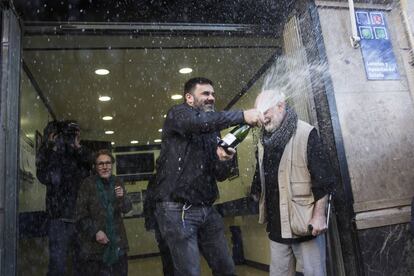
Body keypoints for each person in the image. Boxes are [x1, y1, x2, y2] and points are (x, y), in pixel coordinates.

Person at [153, 77, 264, 276]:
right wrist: (242, 115)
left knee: (226, 268)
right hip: (177, 210)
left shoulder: (212, 133)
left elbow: (220, 175)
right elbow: (199, 122)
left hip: (206, 209)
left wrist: (224, 159)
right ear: (189, 97)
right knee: (189, 271)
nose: (211, 98)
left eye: (213, 94)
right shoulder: (178, 115)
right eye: (205, 93)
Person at [250, 91, 333, 276]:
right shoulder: (263, 141)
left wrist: (319, 216)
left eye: (265, 111)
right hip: (277, 228)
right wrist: (255, 192)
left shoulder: (306, 133)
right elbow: (260, 176)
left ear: (281, 106)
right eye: (259, 112)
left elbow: (324, 180)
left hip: (304, 226)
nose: (262, 118)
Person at [36, 120, 92, 276]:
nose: (69, 138)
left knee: (81, 264)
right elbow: (43, 176)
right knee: (58, 265)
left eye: (73, 135)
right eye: (68, 135)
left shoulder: (79, 154)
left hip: (79, 216)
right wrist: (49, 147)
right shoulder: (53, 154)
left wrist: (78, 147)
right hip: (58, 217)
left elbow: (92, 167)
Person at [75, 149, 132, 276]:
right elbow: (80, 214)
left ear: (112, 165)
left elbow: (127, 208)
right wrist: (95, 231)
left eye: (108, 163)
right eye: (101, 164)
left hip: (118, 245)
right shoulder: (88, 184)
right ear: (95, 166)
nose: (105, 167)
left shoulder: (118, 182)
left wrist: (122, 197)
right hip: (95, 249)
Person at [143, 175, 174, 276]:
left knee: (176, 260)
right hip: (162, 225)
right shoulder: (156, 179)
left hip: (177, 224)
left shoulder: (157, 178)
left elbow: (148, 201)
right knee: (168, 259)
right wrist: (150, 222)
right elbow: (148, 201)